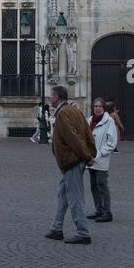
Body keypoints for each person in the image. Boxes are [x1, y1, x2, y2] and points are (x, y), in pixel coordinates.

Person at [44, 86, 97, 245]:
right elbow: (88, 133)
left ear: (57, 97)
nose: (50, 99)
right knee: (63, 193)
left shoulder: (64, 114)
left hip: (72, 161)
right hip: (75, 161)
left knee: (75, 198)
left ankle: (83, 233)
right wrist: (90, 152)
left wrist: (88, 156)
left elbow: (73, 138)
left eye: (51, 96)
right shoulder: (76, 111)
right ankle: (56, 228)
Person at [87, 97, 118, 222]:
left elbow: (111, 142)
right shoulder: (89, 120)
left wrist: (98, 154)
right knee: (93, 185)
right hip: (90, 159)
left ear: (103, 108)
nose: (97, 108)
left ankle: (107, 212)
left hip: (101, 158)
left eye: (99, 106)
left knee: (102, 184)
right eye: (95, 106)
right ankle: (98, 209)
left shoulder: (109, 121)